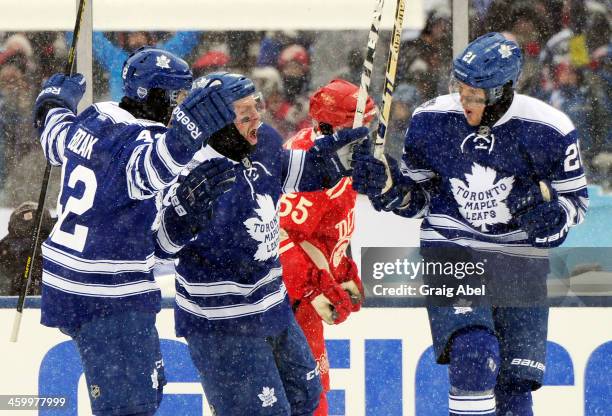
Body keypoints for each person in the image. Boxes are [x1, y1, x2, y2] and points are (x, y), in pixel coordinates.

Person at [352, 33, 588, 416]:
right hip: (452, 245)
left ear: (505, 90)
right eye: (460, 88)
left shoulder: (551, 129)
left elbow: (575, 204)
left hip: (519, 258)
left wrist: (550, 218)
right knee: (474, 353)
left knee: (514, 386)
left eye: (477, 94)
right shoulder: (431, 120)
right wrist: (390, 187)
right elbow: (419, 198)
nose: (465, 101)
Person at [33, 46, 237, 416]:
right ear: (151, 93)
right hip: (107, 294)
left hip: (68, 284)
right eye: (176, 95)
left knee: (144, 391)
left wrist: (52, 103)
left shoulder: (93, 117)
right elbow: (150, 168)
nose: (180, 104)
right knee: (131, 405)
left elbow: (54, 137)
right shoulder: (140, 141)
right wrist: (186, 137)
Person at [155, 72, 370, 415]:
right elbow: (160, 248)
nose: (258, 116)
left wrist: (335, 162)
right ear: (217, 122)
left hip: (274, 309)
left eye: (256, 106)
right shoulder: (186, 169)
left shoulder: (264, 140)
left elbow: (295, 171)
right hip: (223, 324)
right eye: (245, 113)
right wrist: (180, 217)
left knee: (306, 400)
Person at [278, 78, 375, 416]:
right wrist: (312, 288)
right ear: (329, 126)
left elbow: (329, 231)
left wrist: (343, 270)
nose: (366, 136)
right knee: (301, 393)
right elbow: (280, 236)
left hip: (307, 294)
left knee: (314, 389)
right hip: (288, 302)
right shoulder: (303, 161)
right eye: (357, 127)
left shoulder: (343, 159)